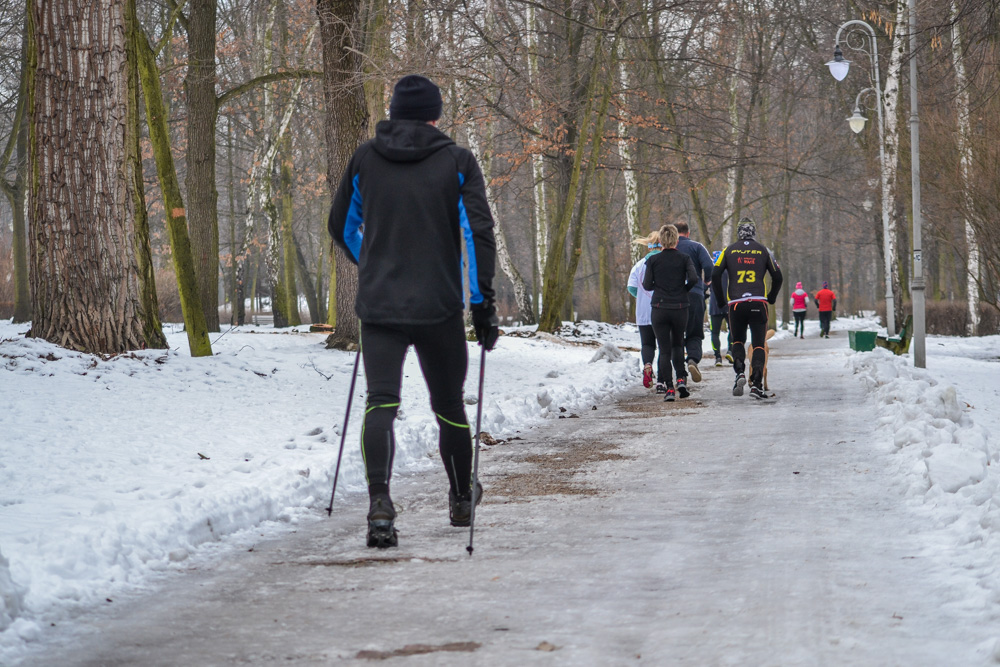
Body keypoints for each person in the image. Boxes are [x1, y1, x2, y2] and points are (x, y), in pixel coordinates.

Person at [328, 74, 497, 549]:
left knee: (381, 402)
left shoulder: (365, 157)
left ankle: (379, 505)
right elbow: (477, 234)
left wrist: (371, 260)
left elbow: (340, 225)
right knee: (449, 408)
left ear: (395, 112)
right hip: (439, 306)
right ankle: (462, 498)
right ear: (436, 114)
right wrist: (482, 303)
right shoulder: (457, 162)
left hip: (380, 305)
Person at [711, 217, 783, 399]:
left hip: (736, 304)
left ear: (738, 233)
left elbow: (715, 273)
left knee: (738, 341)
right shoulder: (764, 251)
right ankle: (756, 384)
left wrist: (721, 300)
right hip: (759, 302)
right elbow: (778, 276)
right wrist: (771, 298)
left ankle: (740, 373)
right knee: (758, 344)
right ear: (754, 233)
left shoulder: (728, 250)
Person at [642, 224, 699, 402]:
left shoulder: (652, 260)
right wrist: (683, 289)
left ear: (660, 241)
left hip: (659, 308)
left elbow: (646, 285)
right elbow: (694, 278)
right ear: (676, 240)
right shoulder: (684, 258)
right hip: (680, 307)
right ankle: (681, 379)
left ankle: (668, 388)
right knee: (678, 345)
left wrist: (658, 287)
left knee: (664, 350)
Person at [674, 221, 714, 382]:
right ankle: (692, 359)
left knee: (675, 334)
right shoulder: (697, 247)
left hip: (674, 298)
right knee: (695, 332)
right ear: (688, 233)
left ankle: (678, 371)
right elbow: (709, 266)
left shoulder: (668, 249)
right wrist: (707, 282)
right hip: (695, 294)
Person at [627, 232, 664, 392]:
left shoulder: (639, 264)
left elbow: (631, 287)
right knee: (664, 347)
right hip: (663, 310)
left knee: (647, 344)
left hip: (643, 312)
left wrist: (642, 296)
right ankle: (662, 380)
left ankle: (647, 365)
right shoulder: (667, 262)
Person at [707, 251, 732, 366]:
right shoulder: (730, 271)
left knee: (715, 332)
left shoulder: (711, 272)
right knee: (733, 330)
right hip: (729, 304)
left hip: (714, 306)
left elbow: (704, 286)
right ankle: (730, 351)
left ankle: (717, 357)